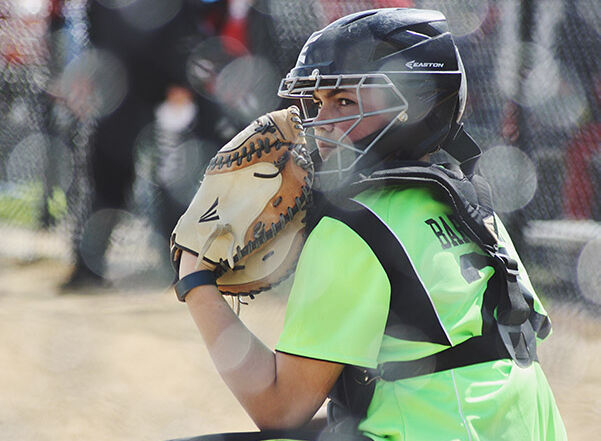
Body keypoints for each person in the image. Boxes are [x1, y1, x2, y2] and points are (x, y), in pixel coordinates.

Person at [175, 8, 567, 441]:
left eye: (346, 102)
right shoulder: (474, 205)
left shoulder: (353, 228)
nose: (323, 123)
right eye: (319, 103)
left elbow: (280, 408)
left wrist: (195, 280)